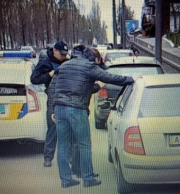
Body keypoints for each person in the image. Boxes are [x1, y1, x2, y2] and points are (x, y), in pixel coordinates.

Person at [50, 47, 135, 188]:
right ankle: (88, 178)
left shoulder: (63, 66)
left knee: (63, 146)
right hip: (76, 109)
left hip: (59, 108)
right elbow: (110, 78)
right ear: (92, 58)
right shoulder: (88, 66)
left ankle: (66, 180)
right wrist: (130, 79)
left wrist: (53, 107)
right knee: (84, 144)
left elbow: (53, 87)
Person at [30, 40, 68, 167]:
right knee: (53, 129)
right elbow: (34, 79)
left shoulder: (66, 61)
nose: (64, 57)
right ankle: (48, 158)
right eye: (61, 54)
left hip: (67, 98)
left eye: (65, 54)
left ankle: (71, 159)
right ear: (55, 51)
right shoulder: (45, 62)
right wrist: (49, 74)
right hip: (53, 99)